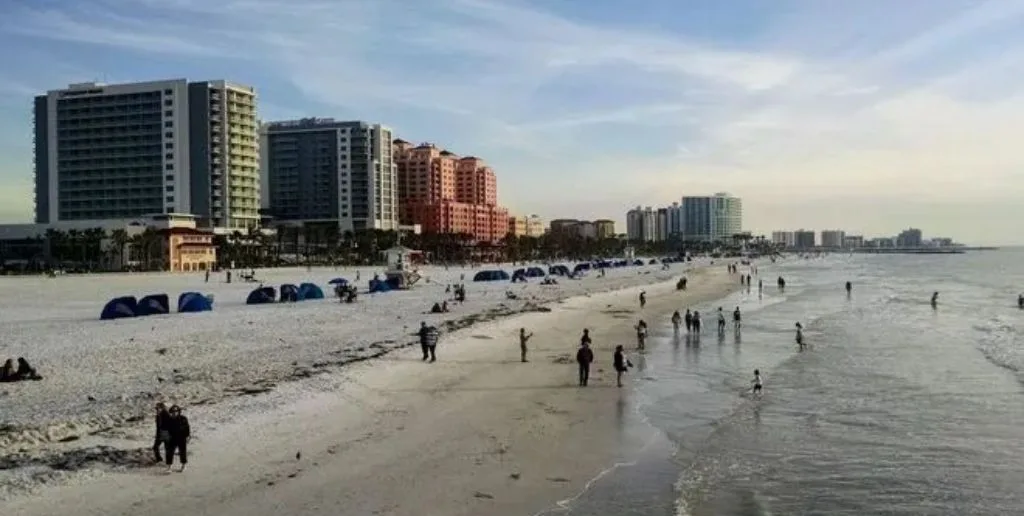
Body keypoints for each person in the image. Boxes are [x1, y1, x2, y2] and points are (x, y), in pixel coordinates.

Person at [164, 405, 190, 473]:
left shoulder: (183, 418)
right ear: (171, 412)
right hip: (172, 438)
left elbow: (187, 428)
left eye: (176, 411)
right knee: (169, 452)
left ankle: (183, 466)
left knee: (182, 452)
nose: (174, 412)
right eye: (173, 411)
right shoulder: (168, 420)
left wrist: (187, 436)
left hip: (182, 437)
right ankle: (169, 467)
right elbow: (165, 429)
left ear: (179, 411)